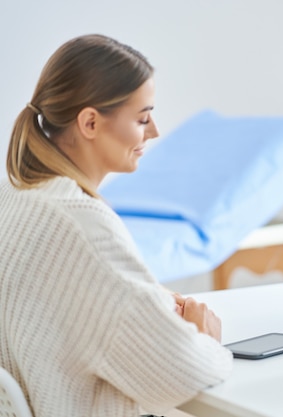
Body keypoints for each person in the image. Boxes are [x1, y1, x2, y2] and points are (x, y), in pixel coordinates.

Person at [0, 34, 233, 417]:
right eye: (142, 118)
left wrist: (149, 302)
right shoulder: (82, 224)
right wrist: (207, 341)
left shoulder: (14, 193)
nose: (154, 131)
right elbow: (183, 371)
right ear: (90, 122)